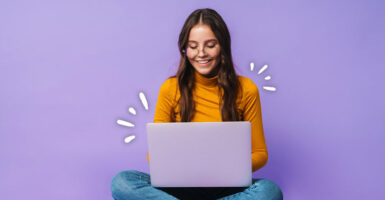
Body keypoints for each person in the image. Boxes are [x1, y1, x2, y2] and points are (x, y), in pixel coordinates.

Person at [111, 8, 283, 200]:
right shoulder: (170, 88)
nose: (201, 53)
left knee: (269, 191)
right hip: (179, 187)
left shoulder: (246, 89)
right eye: (193, 46)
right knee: (122, 182)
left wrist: (224, 169)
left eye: (210, 45)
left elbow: (259, 153)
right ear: (184, 49)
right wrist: (183, 168)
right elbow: (155, 156)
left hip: (227, 187)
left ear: (222, 46)